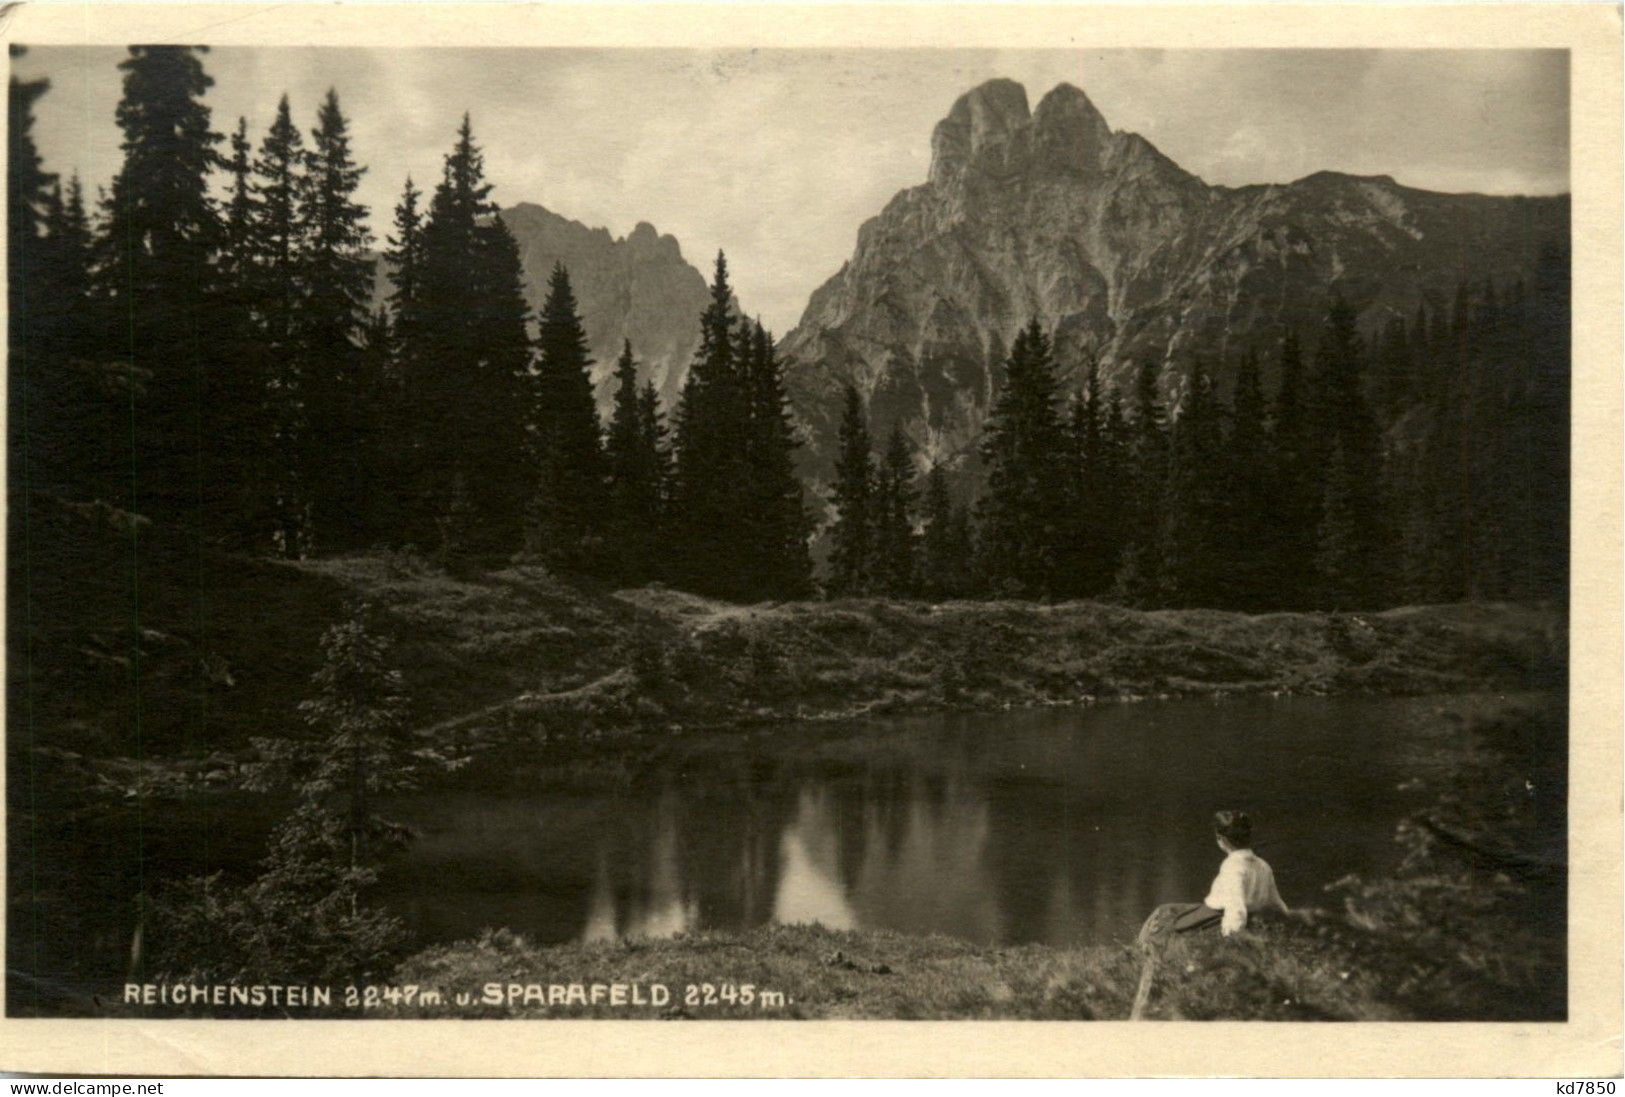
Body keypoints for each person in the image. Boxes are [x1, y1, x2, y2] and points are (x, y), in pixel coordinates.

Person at [1136, 810, 1289, 945]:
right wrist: (1287, 922)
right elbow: (1276, 902)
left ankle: (1146, 955)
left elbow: (1236, 907)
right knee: (1167, 909)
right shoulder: (1263, 865)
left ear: (1222, 840)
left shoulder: (1233, 866)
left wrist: (1231, 939)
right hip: (1235, 913)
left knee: (1163, 921)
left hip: (1217, 916)